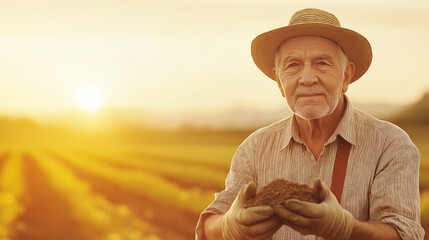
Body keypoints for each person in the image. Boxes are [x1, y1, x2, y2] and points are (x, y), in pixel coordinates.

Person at [195, 8, 424, 240]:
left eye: (322, 63)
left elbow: (404, 233)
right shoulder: (254, 149)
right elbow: (210, 223)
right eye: (292, 65)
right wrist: (229, 226)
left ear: (346, 76)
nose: (306, 78)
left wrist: (346, 229)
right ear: (279, 82)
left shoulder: (390, 145)